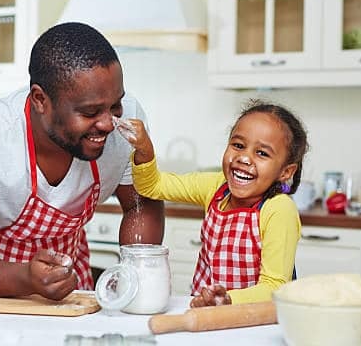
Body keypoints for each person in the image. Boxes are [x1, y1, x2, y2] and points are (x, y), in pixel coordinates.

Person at [0, 22, 164, 301]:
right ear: (40, 99)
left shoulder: (125, 125)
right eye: (90, 112)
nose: (108, 124)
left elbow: (141, 204)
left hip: (73, 293)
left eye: (115, 106)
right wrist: (25, 278)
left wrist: (133, 278)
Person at [115, 99, 308, 306]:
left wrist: (227, 300)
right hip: (206, 312)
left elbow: (274, 286)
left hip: (252, 321)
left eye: (262, 153)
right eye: (238, 145)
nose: (244, 158)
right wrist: (144, 148)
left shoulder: (279, 209)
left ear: (286, 172)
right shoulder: (216, 186)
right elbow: (153, 186)